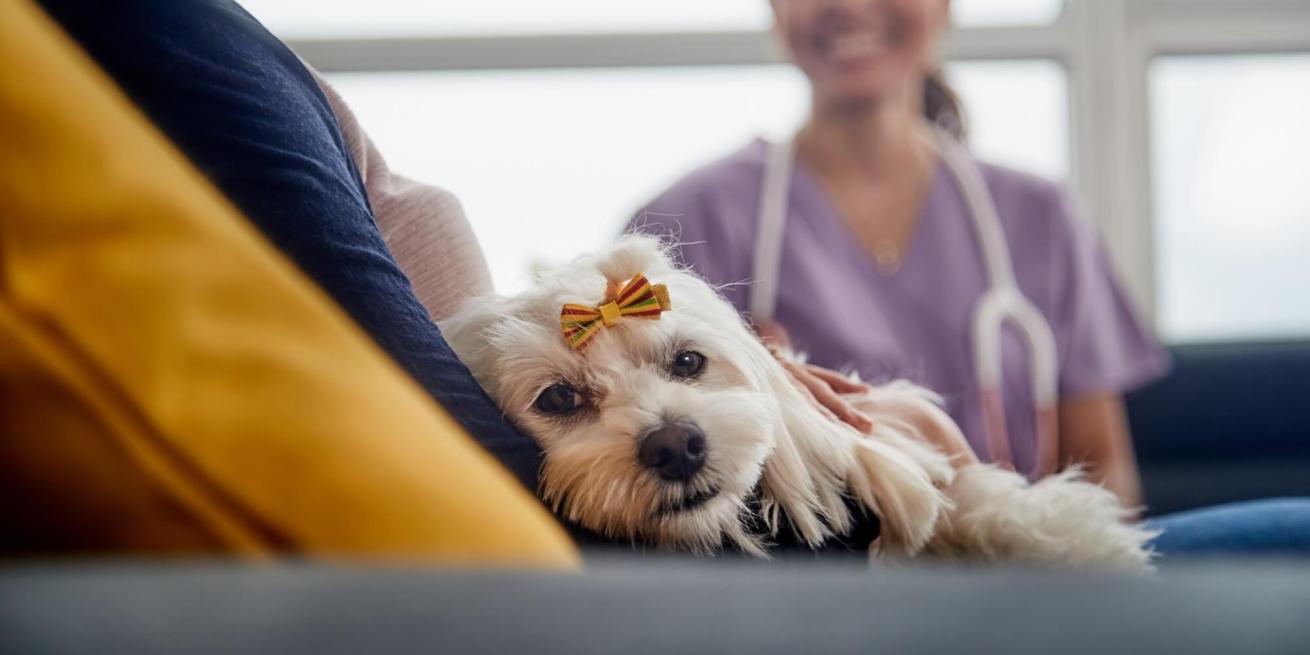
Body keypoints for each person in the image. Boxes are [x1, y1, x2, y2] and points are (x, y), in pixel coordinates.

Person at [629, 0, 1164, 506]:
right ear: (775, 8)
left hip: (1019, 585)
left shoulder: (1043, 219)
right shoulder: (680, 228)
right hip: (798, 585)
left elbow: (1105, 476)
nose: (852, 5)